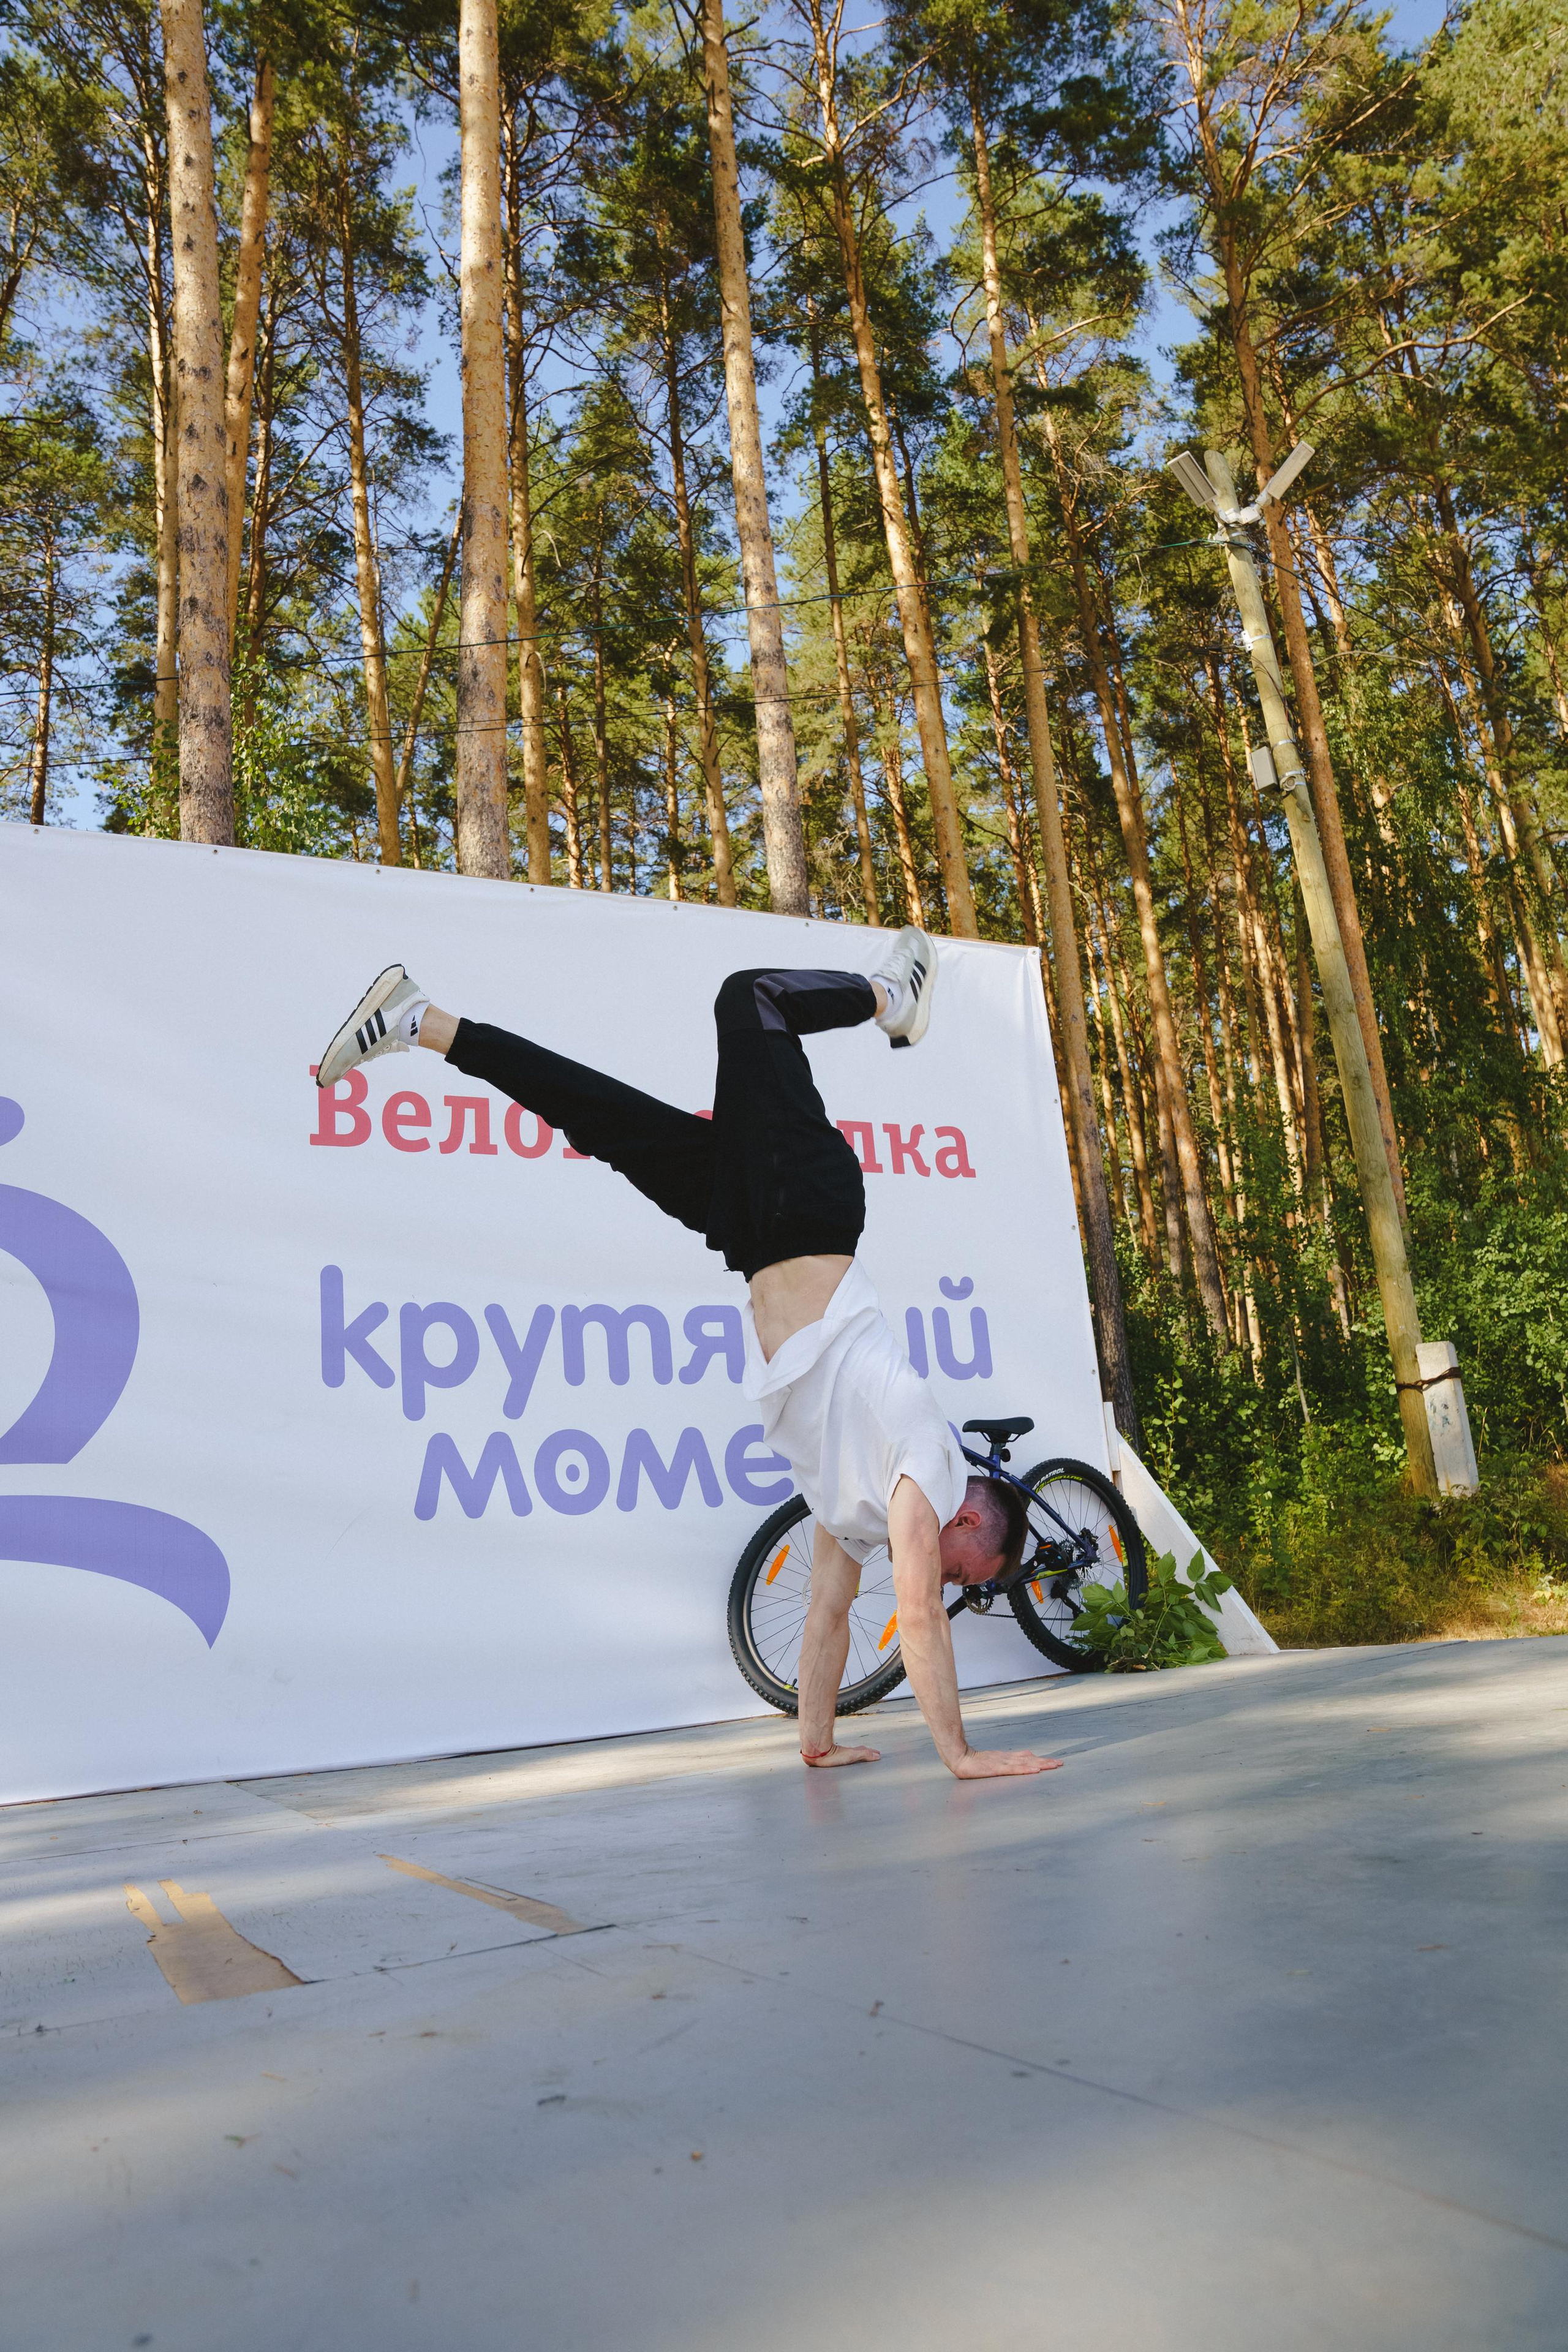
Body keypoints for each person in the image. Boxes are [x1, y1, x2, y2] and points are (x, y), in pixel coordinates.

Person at [317, 932, 1061, 1782]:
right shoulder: (926, 1468)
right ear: (969, 1521)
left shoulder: (853, 1504)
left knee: (591, 1113)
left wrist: (814, 1739)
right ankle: (896, 998)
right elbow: (921, 1618)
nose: (945, 1581)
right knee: (751, 997)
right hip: (807, 1205)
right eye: (968, 1573)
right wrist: (960, 1756)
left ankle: (419, 1019)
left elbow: (826, 1616)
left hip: (747, 1227)